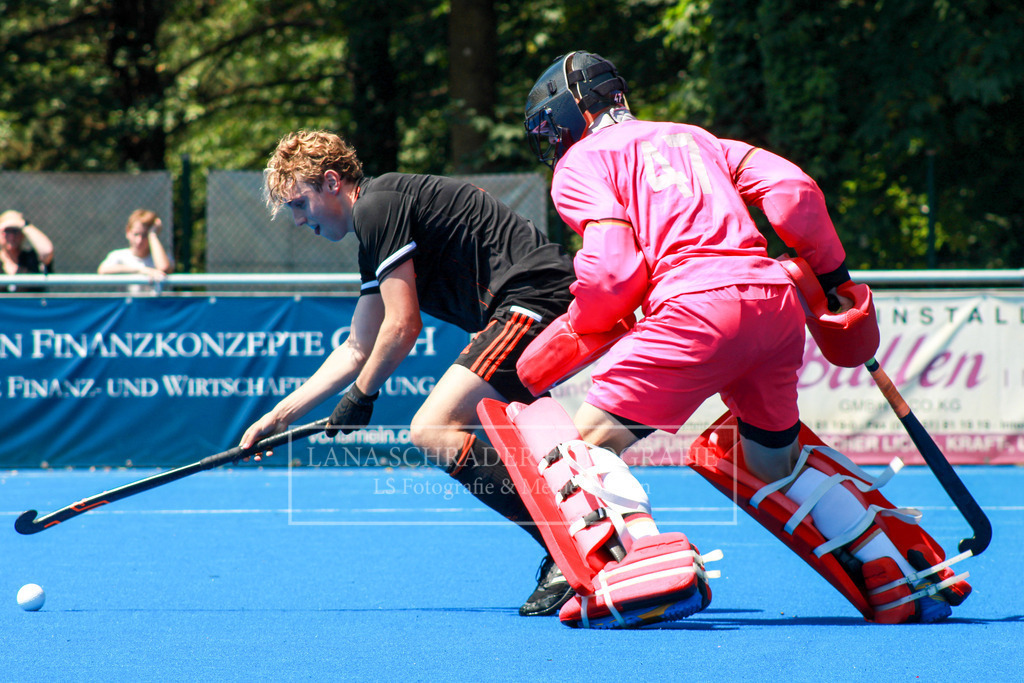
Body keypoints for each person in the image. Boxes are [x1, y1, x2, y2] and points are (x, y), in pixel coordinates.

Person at [518, 51, 971, 625]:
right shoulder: (697, 137)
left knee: (580, 448)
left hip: (695, 307)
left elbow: (612, 273)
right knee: (772, 464)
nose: (554, 140)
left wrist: (580, 324)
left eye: (552, 126)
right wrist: (834, 281)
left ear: (575, 110)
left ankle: (644, 567)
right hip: (774, 308)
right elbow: (796, 192)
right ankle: (895, 569)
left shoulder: (580, 163)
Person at [240, 129, 578, 617]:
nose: (297, 220)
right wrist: (279, 417)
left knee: (432, 428)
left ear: (332, 182)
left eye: (299, 204)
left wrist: (361, 397)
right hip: (531, 304)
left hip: (534, 302)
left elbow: (402, 326)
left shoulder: (377, 207)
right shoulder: (374, 231)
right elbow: (358, 346)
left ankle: (565, 547)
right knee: (513, 437)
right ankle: (580, 537)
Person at [97, 209, 174, 290]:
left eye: (145, 235)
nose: (139, 241)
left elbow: (164, 268)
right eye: (136, 234)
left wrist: (152, 235)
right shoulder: (118, 255)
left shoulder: (160, 256)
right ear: (128, 232)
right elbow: (103, 270)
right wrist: (141, 270)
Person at [1, 210, 54, 292]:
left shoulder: (31, 259)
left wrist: (25, 225)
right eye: (7, 231)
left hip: (31, 305)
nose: (11, 236)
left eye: (15, 231)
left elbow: (47, 252)